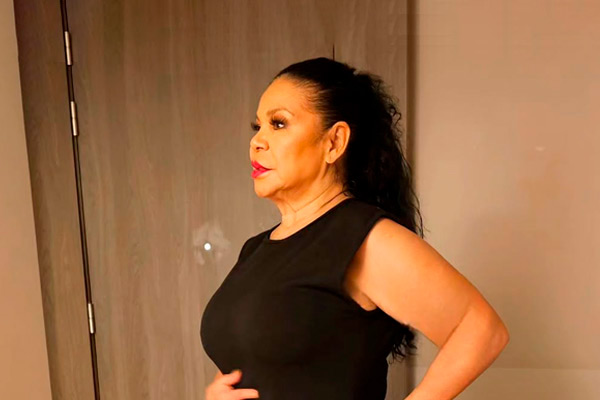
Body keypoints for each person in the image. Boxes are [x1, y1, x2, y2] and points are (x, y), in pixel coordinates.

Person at [201, 57, 509, 400]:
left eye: (278, 123)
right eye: (257, 126)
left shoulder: (362, 238)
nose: (257, 142)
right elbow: (258, 357)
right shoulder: (256, 248)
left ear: (334, 142)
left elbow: (482, 330)